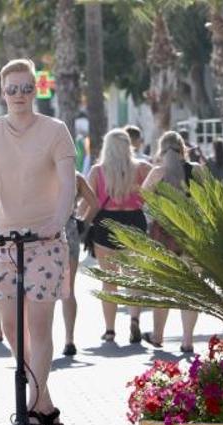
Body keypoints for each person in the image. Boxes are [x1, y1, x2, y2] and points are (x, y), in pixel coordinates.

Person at [0, 58, 77, 425]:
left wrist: (57, 222)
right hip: (4, 241)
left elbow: (68, 184)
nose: (19, 95)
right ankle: (43, 401)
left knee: (39, 325)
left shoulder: (56, 131)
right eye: (12, 89)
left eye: (26, 88)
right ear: (3, 93)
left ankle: (33, 405)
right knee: (13, 327)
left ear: (37, 89)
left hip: (45, 241)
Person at [87, 129, 150, 346]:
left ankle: (110, 330)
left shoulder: (97, 171)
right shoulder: (141, 168)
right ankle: (134, 319)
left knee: (109, 279)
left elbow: (89, 202)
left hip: (106, 223)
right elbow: (154, 191)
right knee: (133, 275)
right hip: (134, 220)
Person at [140, 130, 201, 353]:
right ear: (182, 148)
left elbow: (143, 198)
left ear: (161, 149)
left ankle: (158, 336)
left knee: (162, 289)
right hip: (191, 236)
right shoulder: (197, 170)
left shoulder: (157, 173)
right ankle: (187, 341)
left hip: (162, 235)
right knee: (191, 290)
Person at [61, 170, 99, 356]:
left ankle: (41, 339)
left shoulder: (39, 172)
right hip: (69, 230)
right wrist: (83, 223)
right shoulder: (75, 177)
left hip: (41, 231)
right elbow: (94, 204)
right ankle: (69, 339)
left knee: (41, 292)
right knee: (68, 289)